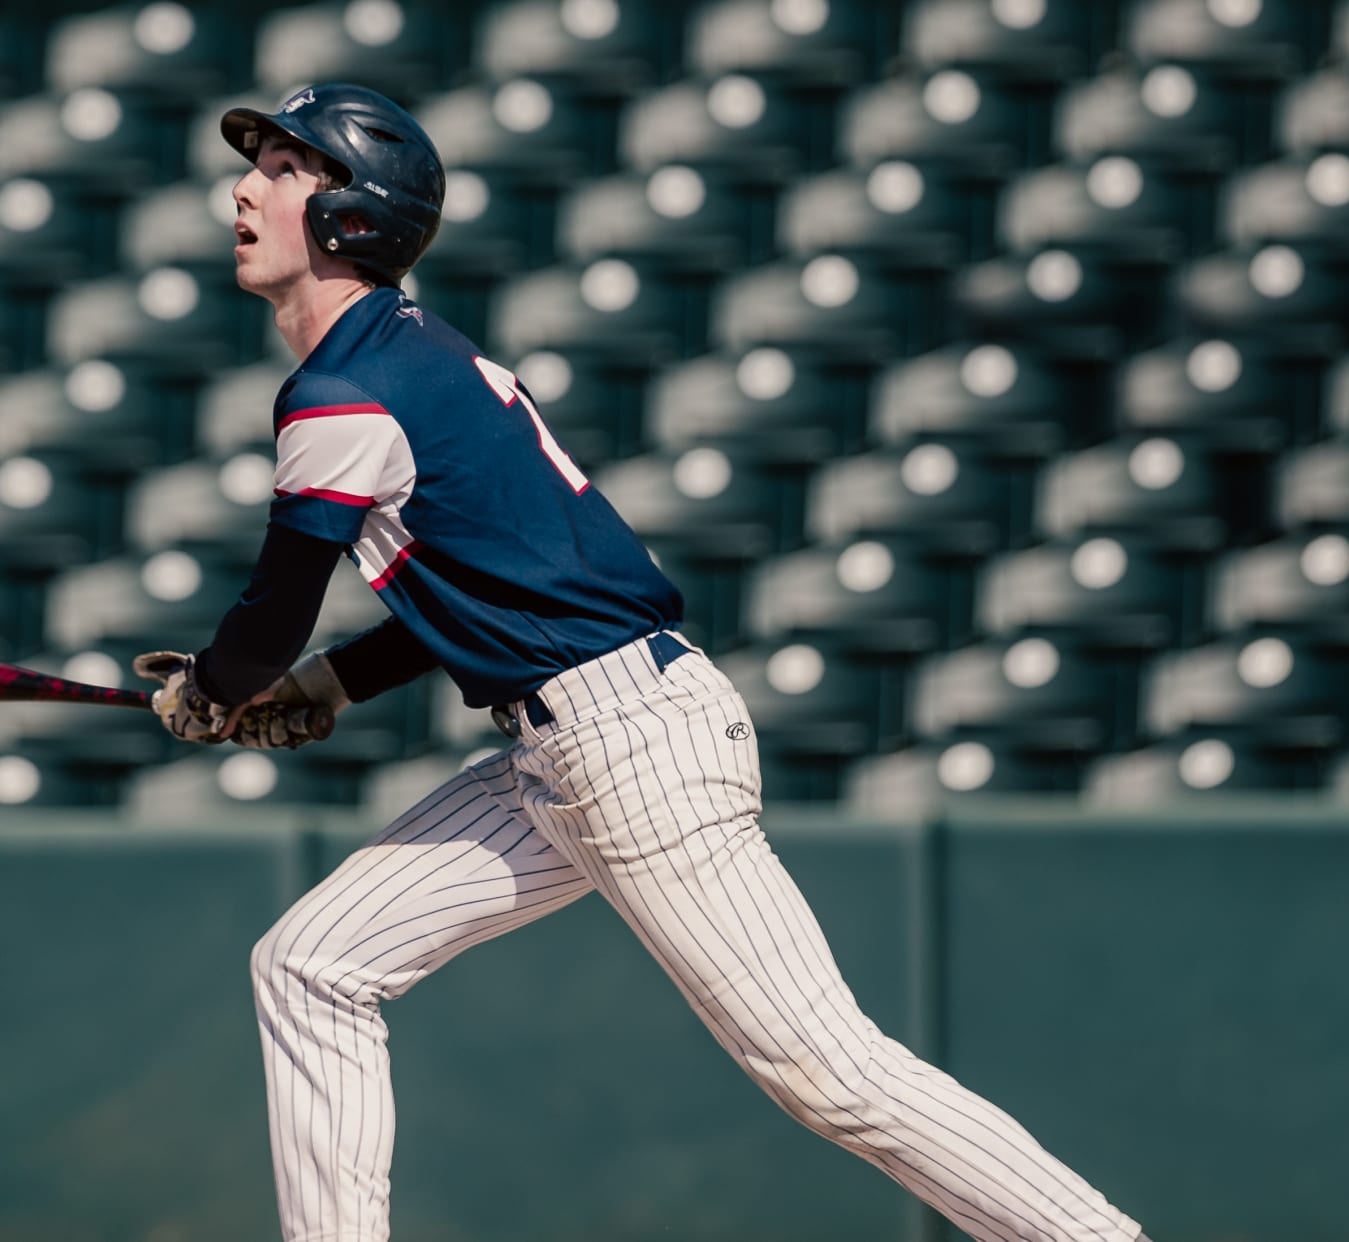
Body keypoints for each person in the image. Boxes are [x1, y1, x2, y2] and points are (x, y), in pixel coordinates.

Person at [131, 84, 1153, 1242]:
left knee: (835, 1076)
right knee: (311, 964)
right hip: (572, 746)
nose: (244, 189)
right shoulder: (411, 360)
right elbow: (483, 593)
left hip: (628, 748)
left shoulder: (345, 391)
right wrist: (325, 683)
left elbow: (272, 612)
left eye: (282, 169)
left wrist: (217, 689)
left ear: (350, 214)